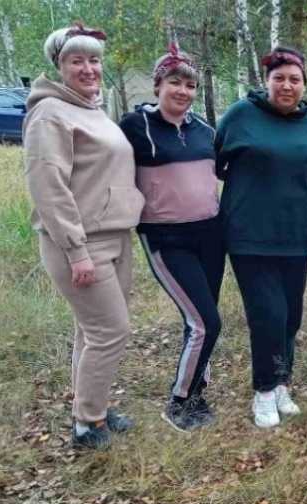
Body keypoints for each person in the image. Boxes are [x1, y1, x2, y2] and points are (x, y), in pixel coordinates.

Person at [24, 23, 145, 449]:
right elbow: (48, 186)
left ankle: (89, 405)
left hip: (114, 235)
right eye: (77, 60)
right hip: (81, 243)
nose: (89, 68)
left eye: (94, 60)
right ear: (59, 65)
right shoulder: (49, 114)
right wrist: (76, 252)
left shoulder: (90, 108)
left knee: (90, 331)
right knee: (111, 331)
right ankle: (86, 426)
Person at [214, 46, 307, 428]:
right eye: (279, 78)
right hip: (249, 236)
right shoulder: (241, 115)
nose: (287, 85)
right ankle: (263, 390)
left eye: (294, 79)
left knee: (291, 316)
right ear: (267, 82)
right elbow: (217, 162)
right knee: (267, 315)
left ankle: (282, 382)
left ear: (304, 84)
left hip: (297, 236)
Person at [119, 43, 224, 433]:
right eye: (174, 82)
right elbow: (105, 167)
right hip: (166, 238)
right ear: (158, 84)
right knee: (206, 323)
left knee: (199, 320)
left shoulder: (205, 131)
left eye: (189, 84)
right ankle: (179, 402)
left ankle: (198, 391)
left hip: (211, 235)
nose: (182, 90)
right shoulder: (134, 127)